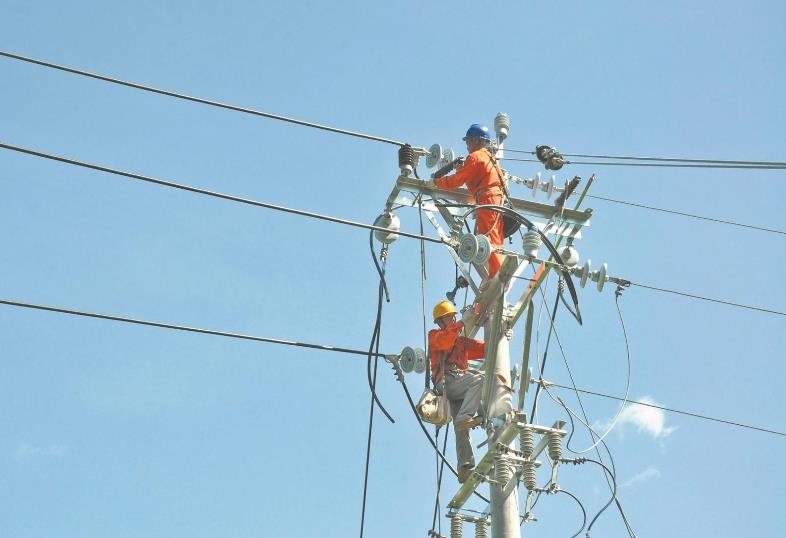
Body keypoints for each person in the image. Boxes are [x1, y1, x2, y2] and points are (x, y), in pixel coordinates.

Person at [432, 124, 506, 279]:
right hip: (495, 199)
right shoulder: (489, 159)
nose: (466, 145)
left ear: (478, 140)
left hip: (487, 199)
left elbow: (456, 181)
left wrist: (437, 182)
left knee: (487, 238)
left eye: (468, 141)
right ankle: (496, 274)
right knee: (495, 240)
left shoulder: (476, 156)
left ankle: (499, 276)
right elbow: (474, 182)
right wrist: (462, 169)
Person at [429, 300, 485, 483]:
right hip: (447, 382)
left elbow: (485, 349)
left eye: (454, 316)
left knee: (462, 431)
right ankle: (467, 417)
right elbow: (446, 343)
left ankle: (465, 468)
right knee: (480, 380)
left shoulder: (460, 341)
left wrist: (503, 336)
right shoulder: (435, 335)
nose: (453, 319)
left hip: (458, 386)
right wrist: (462, 322)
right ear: (442, 321)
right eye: (450, 317)